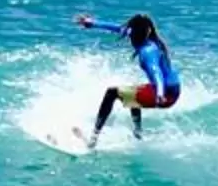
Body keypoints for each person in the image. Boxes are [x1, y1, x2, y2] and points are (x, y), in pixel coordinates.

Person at [74, 12, 180, 145]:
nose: (127, 35)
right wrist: (92, 23)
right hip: (171, 88)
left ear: (135, 35)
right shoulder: (145, 37)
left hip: (166, 93)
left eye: (130, 33)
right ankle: (138, 134)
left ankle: (93, 139)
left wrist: (159, 93)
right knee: (131, 92)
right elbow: (118, 28)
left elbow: (156, 72)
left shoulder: (147, 52)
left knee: (112, 92)